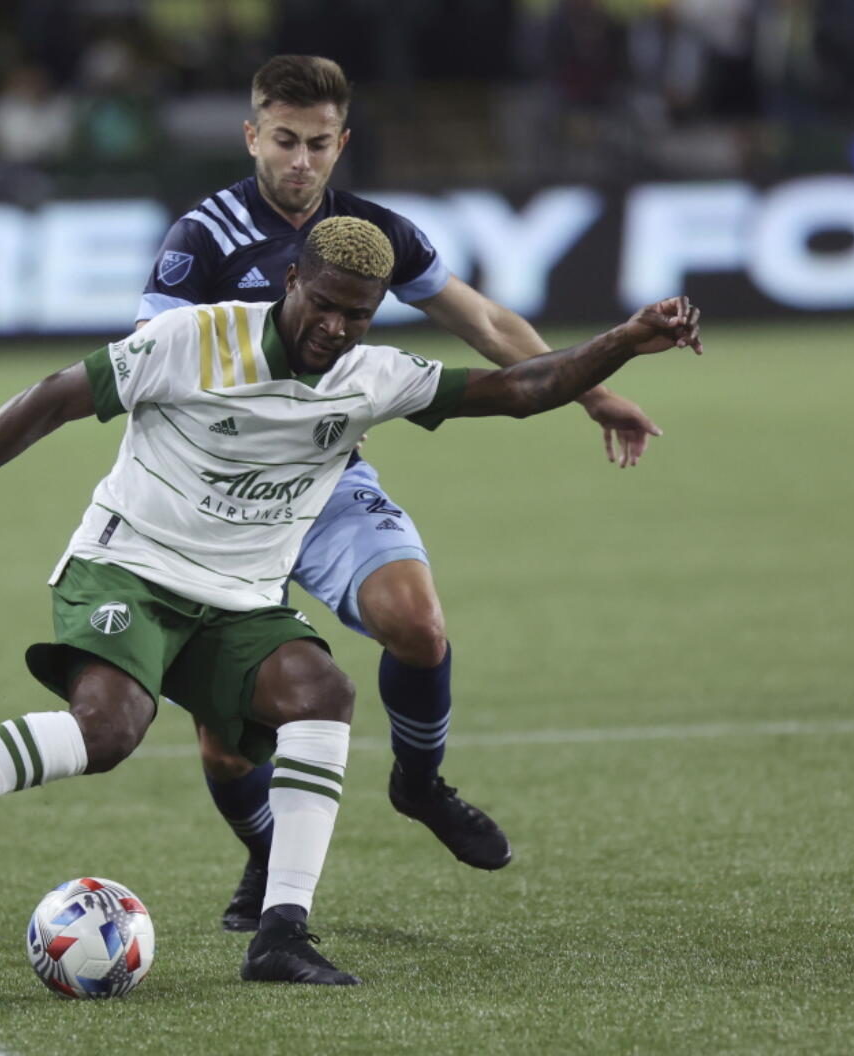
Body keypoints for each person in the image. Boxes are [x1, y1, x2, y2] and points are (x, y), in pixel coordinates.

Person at [0, 215, 701, 987]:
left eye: (359, 312)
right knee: (111, 730)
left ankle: (281, 934)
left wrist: (622, 340)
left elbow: (520, 389)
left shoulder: (372, 375)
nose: (337, 325)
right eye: (326, 302)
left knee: (323, 693)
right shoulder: (192, 340)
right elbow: (52, 399)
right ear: (292, 282)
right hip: (130, 568)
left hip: (238, 600)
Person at [137, 54, 666, 931]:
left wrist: (596, 393)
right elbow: (152, 361)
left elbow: (488, 323)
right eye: (282, 141)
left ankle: (419, 785)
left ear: (342, 143)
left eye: (316, 144)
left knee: (418, 624)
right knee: (227, 745)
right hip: (217, 499)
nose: (299, 161)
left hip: (328, 477)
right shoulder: (201, 239)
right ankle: (268, 858)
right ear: (251, 135)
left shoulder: (371, 233)